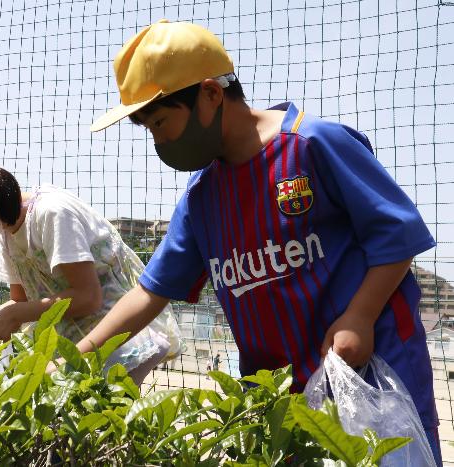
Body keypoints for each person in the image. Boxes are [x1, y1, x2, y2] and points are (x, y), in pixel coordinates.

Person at [64, 20, 441, 464]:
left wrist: (359, 316)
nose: (159, 141)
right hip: (281, 410)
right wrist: (72, 360)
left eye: (161, 122)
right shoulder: (203, 198)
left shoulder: (312, 145)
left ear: (210, 93)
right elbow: (150, 291)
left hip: (373, 382)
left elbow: (397, 233)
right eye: (148, 129)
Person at [0, 147, 183, 385]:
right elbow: (21, 304)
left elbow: (88, 296)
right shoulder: (10, 237)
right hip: (73, 346)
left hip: (118, 341)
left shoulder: (51, 213)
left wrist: (17, 312)